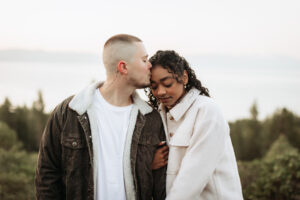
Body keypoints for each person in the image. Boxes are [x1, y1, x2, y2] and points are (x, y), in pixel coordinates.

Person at [35, 34, 167, 200]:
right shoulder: (69, 112)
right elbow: (47, 176)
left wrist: (146, 165)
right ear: (123, 67)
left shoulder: (151, 119)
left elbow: (161, 186)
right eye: (144, 60)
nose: (150, 65)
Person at [146, 50, 243, 200]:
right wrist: (149, 163)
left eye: (167, 83)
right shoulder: (159, 115)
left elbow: (192, 177)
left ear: (184, 77)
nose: (161, 92)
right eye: (154, 87)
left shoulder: (207, 111)